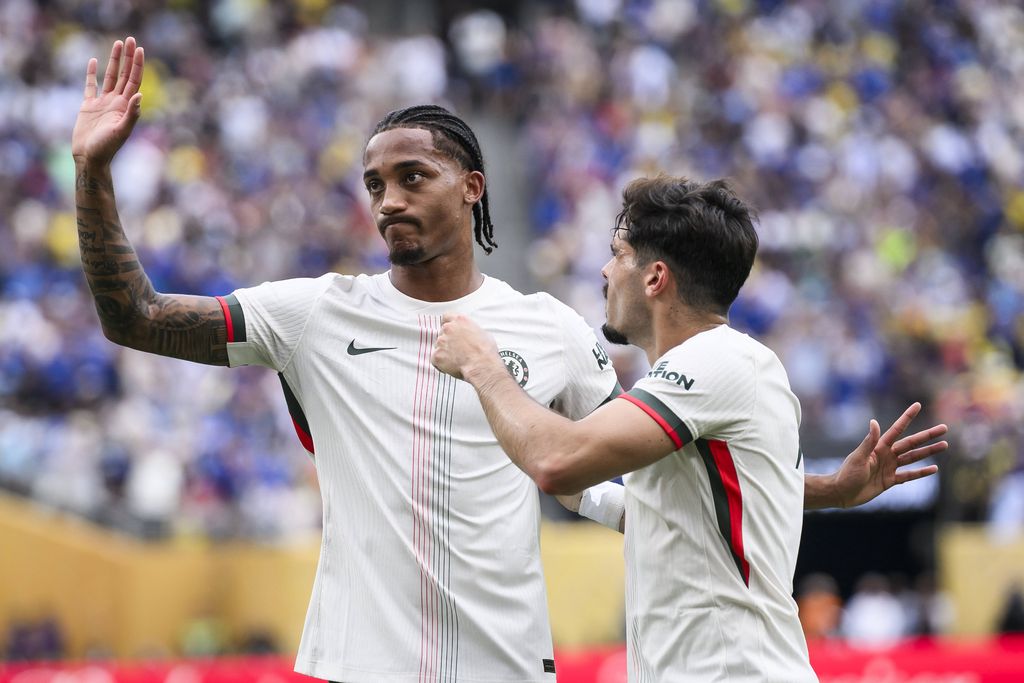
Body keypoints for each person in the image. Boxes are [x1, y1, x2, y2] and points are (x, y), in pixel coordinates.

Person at [74, 38, 945, 682]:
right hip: (355, 665)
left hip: (512, 669)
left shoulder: (552, 331)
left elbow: (635, 484)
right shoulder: (313, 314)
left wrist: (814, 491)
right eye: (375, 184)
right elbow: (136, 316)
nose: (388, 200)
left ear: (473, 187)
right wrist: (93, 173)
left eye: (413, 176)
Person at [431, 176, 949, 681]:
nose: (606, 272)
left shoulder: (716, 360)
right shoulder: (714, 375)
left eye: (618, 254)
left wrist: (483, 366)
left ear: (655, 278)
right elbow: (679, 512)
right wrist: (830, 491)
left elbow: (554, 460)